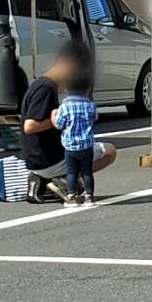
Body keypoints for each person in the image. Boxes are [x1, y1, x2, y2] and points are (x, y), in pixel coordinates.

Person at [20, 41, 117, 203]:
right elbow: (30, 126)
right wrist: (57, 120)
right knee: (109, 151)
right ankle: (61, 178)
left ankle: (56, 180)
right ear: (66, 63)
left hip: (38, 159)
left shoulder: (41, 85)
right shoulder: (46, 88)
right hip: (47, 160)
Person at [51, 69, 100, 206]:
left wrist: (54, 115)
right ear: (88, 87)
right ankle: (89, 196)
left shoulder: (64, 107)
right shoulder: (90, 106)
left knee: (72, 172)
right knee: (87, 172)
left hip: (70, 146)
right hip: (87, 145)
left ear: (66, 88)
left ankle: (72, 196)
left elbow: (59, 125)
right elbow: (94, 118)